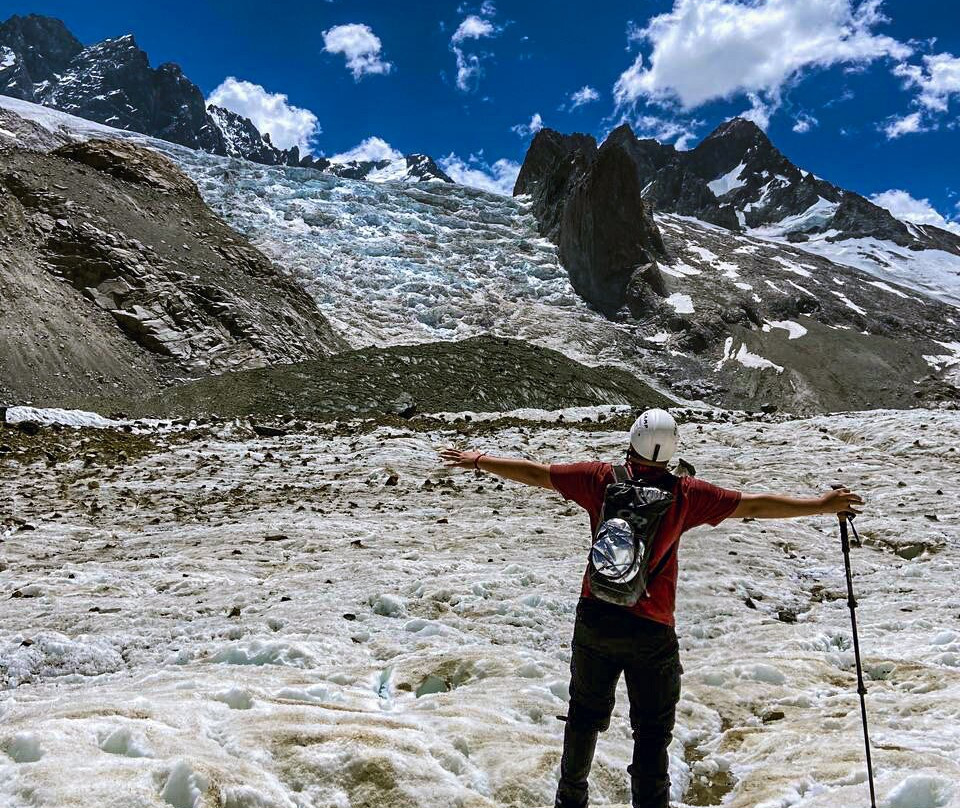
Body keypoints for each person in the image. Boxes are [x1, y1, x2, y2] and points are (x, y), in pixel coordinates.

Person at [439, 408, 863, 808]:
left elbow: (537, 472)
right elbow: (753, 504)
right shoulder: (686, 493)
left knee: (584, 718)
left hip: (597, 616)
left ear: (632, 440)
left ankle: (570, 800)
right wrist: (821, 505)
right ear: (672, 449)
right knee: (652, 733)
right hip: (652, 630)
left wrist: (479, 460)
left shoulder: (600, 479)